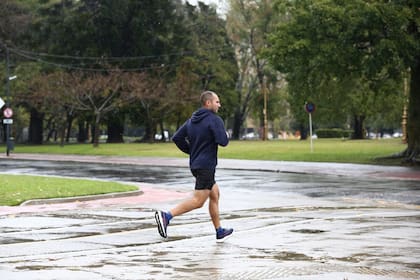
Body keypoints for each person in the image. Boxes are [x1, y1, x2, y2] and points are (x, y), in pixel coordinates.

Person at [155, 90, 233, 240]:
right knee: (198, 201)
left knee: (215, 194)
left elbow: (177, 137)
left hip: (196, 165)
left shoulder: (192, 120)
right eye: (217, 102)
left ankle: (219, 230)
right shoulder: (214, 120)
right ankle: (166, 216)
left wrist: (192, 152)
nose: (219, 105)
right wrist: (226, 134)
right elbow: (223, 141)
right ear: (208, 103)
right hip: (206, 167)